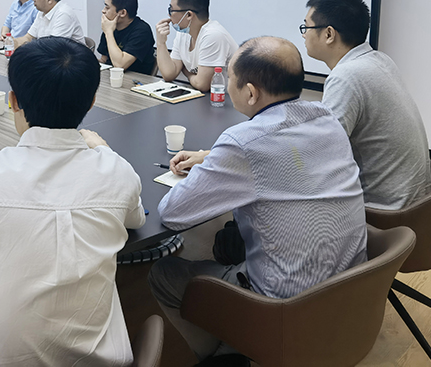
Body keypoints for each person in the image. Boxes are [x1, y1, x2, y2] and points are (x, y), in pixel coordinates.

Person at [149, 36, 367, 364]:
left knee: (163, 273)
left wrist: (220, 162)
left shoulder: (242, 142)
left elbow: (172, 213)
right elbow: (290, 157)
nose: (227, 85)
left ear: (250, 93)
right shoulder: (326, 117)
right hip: (351, 288)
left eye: (230, 78)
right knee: (226, 239)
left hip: (283, 307)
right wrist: (213, 158)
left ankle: (229, 355)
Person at [0, 37, 145, 366]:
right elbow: (136, 220)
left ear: (13, 101)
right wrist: (104, 152)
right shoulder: (117, 173)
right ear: (92, 102)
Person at [303, 0, 431, 209]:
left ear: (329, 34)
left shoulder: (346, 76)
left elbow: (322, 154)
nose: (304, 35)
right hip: (417, 203)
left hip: (385, 211)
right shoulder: (379, 59)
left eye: (306, 27)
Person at [155, 0, 238, 92]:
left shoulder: (213, 35)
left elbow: (202, 84)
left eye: (171, 10)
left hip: (225, 99)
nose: (169, 15)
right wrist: (161, 43)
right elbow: (169, 74)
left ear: (189, 15)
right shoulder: (183, 33)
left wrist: (187, 73)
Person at [13, 0, 85, 48]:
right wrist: (12, 42)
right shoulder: (41, 12)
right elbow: (28, 38)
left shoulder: (64, 14)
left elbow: (53, 47)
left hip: (68, 54)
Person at [98, 0, 156, 74]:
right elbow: (104, 59)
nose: (103, 11)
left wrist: (109, 32)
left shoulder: (142, 31)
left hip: (135, 79)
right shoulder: (112, 26)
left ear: (122, 13)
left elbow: (120, 65)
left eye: (107, 7)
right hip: (111, 76)